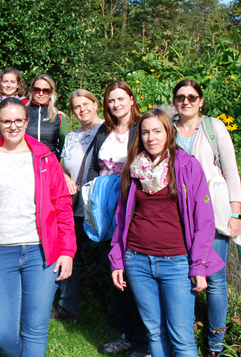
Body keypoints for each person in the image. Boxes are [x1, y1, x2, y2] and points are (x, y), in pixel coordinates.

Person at [109, 109, 224, 357]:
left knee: (181, 338)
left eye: (157, 131)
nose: (151, 138)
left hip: (177, 263)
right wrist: (117, 260)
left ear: (168, 133)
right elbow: (121, 218)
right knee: (154, 333)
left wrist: (198, 266)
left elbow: (204, 221)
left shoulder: (188, 166)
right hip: (137, 261)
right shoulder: (134, 168)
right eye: (146, 132)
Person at [0, 97, 76, 357]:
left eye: (19, 120)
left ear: (27, 121)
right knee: (1, 334)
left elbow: (62, 205)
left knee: (35, 329)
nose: (13, 126)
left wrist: (67, 251)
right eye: (6, 121)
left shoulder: (45, 158)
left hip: (41, 253)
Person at [171, 79, 241, 357]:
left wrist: (235, 213)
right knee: (181, 276)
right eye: (180, 97)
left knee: (214, 279)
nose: (186, 101)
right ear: (175, 101)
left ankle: (215, 344)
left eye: (192, 97)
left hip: (211, 216)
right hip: (176, 217)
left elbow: (231, 171)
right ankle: (183, 338)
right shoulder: (168, 129)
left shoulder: (214, 128)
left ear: (201, 101)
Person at [92, 81, 150, 356]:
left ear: (131, 98)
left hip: (133, 206)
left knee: (135, 272)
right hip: (105, 208)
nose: (116, 105)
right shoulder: (104, 130)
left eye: (120, 99)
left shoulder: (143, 128)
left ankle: (146, 341)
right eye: (111, 101)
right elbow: (93, 166)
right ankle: (127, 334)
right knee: (115, 270)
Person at [52, 89, 104, 322]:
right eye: (77, 107)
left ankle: (112, 311)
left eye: (86, 104)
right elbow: (62, 166)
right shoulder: (72, 136)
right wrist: (65, 178)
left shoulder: (108, 130)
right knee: (64, 250)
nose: (82, 109)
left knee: (107, 256)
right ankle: (67, 306)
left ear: (95, 105)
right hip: (73, 205)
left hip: (98, 207)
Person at [24, 74, 66, 158]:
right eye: (37, 90)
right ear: (32, 90)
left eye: (45, 90)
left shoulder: (59, 117)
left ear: (51, 92)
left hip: (51, 164)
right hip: (27, 163)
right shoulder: (22, 113)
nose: (41, 93)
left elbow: (65, 148)